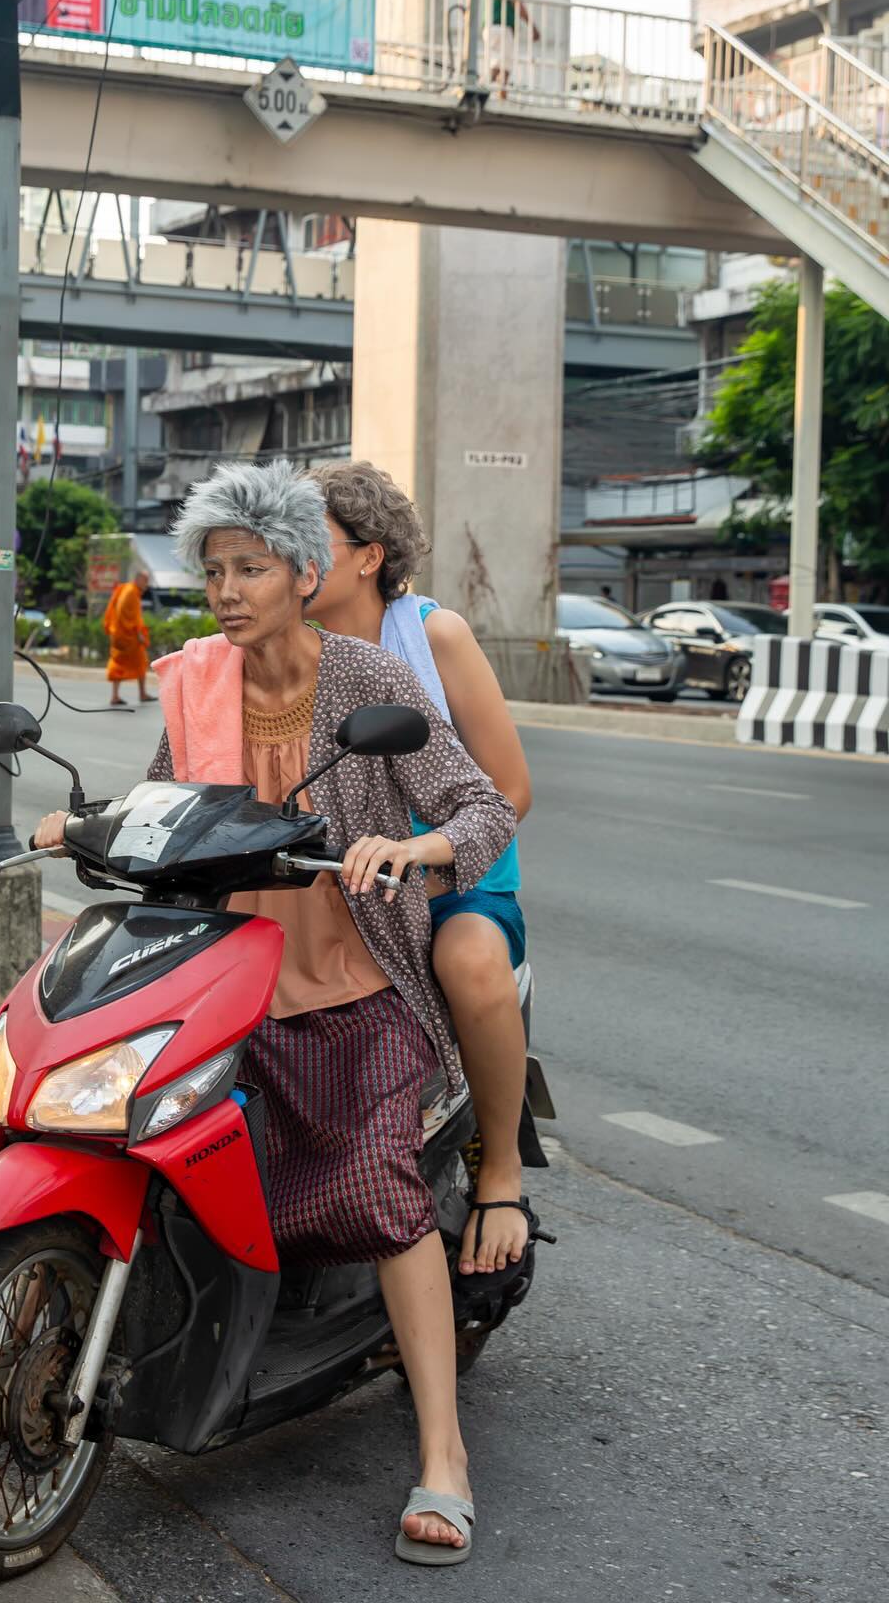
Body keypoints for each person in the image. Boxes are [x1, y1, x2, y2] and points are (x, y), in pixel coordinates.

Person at [37, 462, 517, 1565]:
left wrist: (416, 847)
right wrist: (86, 824)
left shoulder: (359, 678)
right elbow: (164, 798)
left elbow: (480, 805)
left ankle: (441, 1452)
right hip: (217, 972)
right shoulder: (199, 679)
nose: (229, 589)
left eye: (251, 567)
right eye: (214, 570)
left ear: (306, 573)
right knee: (99, 1119)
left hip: (350, 983)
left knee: (371, 1182)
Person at [310, 463, 532, 1282]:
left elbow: (509, 791)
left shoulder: (433, 635)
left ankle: (500, 1172)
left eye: (312, 545)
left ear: (369, 556)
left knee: (468, 962)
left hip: (453, 876)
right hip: (335, 878)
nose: (288, 563)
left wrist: (426, 865)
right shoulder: (284, 645)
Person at [483, 0, 539, 99]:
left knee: (497, 63)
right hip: (501, 27)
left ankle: (484, 86)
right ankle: (502, 93)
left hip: (489, 27)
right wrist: (532, 27)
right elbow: (517, 2)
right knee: (506, 63)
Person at [103, 568, 152, 707]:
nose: (146, 584)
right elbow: (128, 616)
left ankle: (120, 695)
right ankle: (136, 694)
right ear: (138, 579)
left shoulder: (130, 590)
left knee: (131, 662)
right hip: (127, 636)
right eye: (145, 581)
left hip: (121, 634)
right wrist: (138, 633)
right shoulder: (130, 592)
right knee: (135, 662)